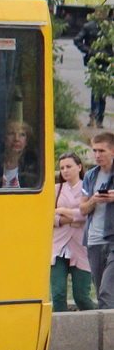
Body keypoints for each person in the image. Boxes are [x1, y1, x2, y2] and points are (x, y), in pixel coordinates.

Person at [52, 152, 94, 312]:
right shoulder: (56, 189)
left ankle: (97, 328)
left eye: (69, 166)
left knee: (81, 296)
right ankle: (59, 331)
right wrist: (72, 217)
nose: (65, 170)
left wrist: (62, 210)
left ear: (79, 167)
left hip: (80, 247)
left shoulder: (88, 188)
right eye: (62, 168)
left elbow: (87, 214)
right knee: (58, 294)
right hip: (58, 247)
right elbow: (49, 216)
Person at [80, 132, 114, 309]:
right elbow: (82, 209)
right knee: (101, 290)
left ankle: (107, 336)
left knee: (106, 294)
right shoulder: (91, 176)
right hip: (94, 240)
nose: (97, 155)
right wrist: (94, 199)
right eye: (94, 151)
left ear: (112, 151)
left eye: (101, 151)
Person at [75, 8, 112, 127]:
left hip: (107, 62)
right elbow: (77, 40)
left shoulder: (109, 27)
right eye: (100, 12)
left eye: (104, 13)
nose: (102, 15)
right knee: (97, 90)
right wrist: (89, 51)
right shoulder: (89, 26)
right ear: (95, 14)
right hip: (94, 61)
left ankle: (99, 118)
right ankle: (95, 117)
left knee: (103, 91)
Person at [0, 120, 38, 188]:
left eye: (22, 134)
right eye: (11, 133)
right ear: (4, 138)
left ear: (26, 141)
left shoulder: (32, 166)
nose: (16, 139)